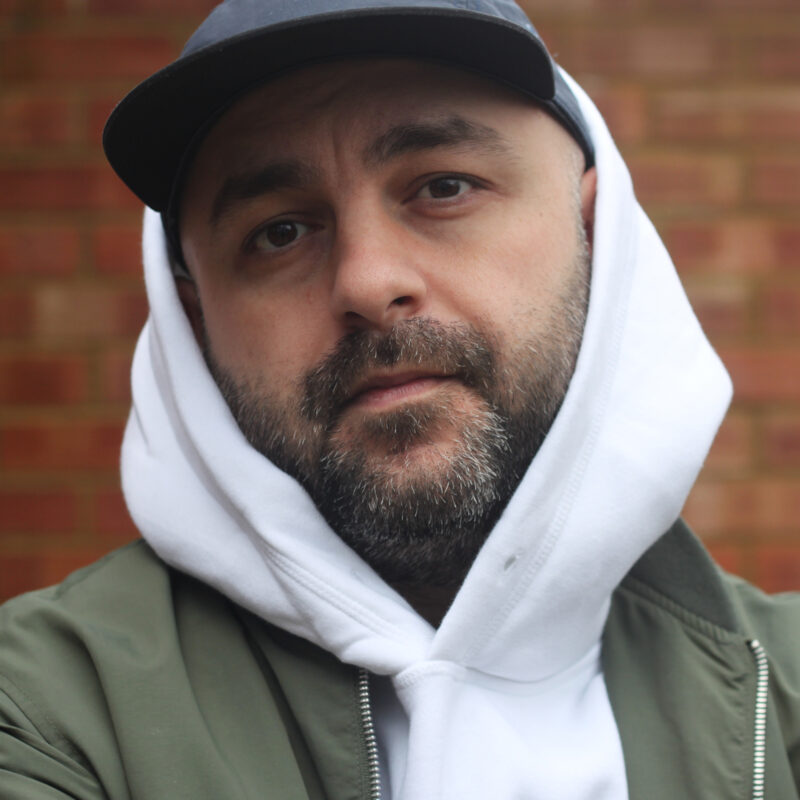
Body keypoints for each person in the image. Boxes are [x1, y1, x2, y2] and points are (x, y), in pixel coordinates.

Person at [1, 0, 798, 797]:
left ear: (596, 233)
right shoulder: (41, 715)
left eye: (444, 187)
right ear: (195, 320)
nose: (367, 281)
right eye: (279, 232)